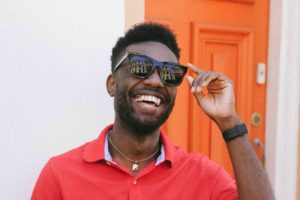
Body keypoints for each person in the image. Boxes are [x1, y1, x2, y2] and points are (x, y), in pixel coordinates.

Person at [31, 23, 274, 200]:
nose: (157, 82)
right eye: (140, 66)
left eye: (169, 73)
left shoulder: (202, 175)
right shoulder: (60, 173)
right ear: (112, 83)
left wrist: (228, 120)